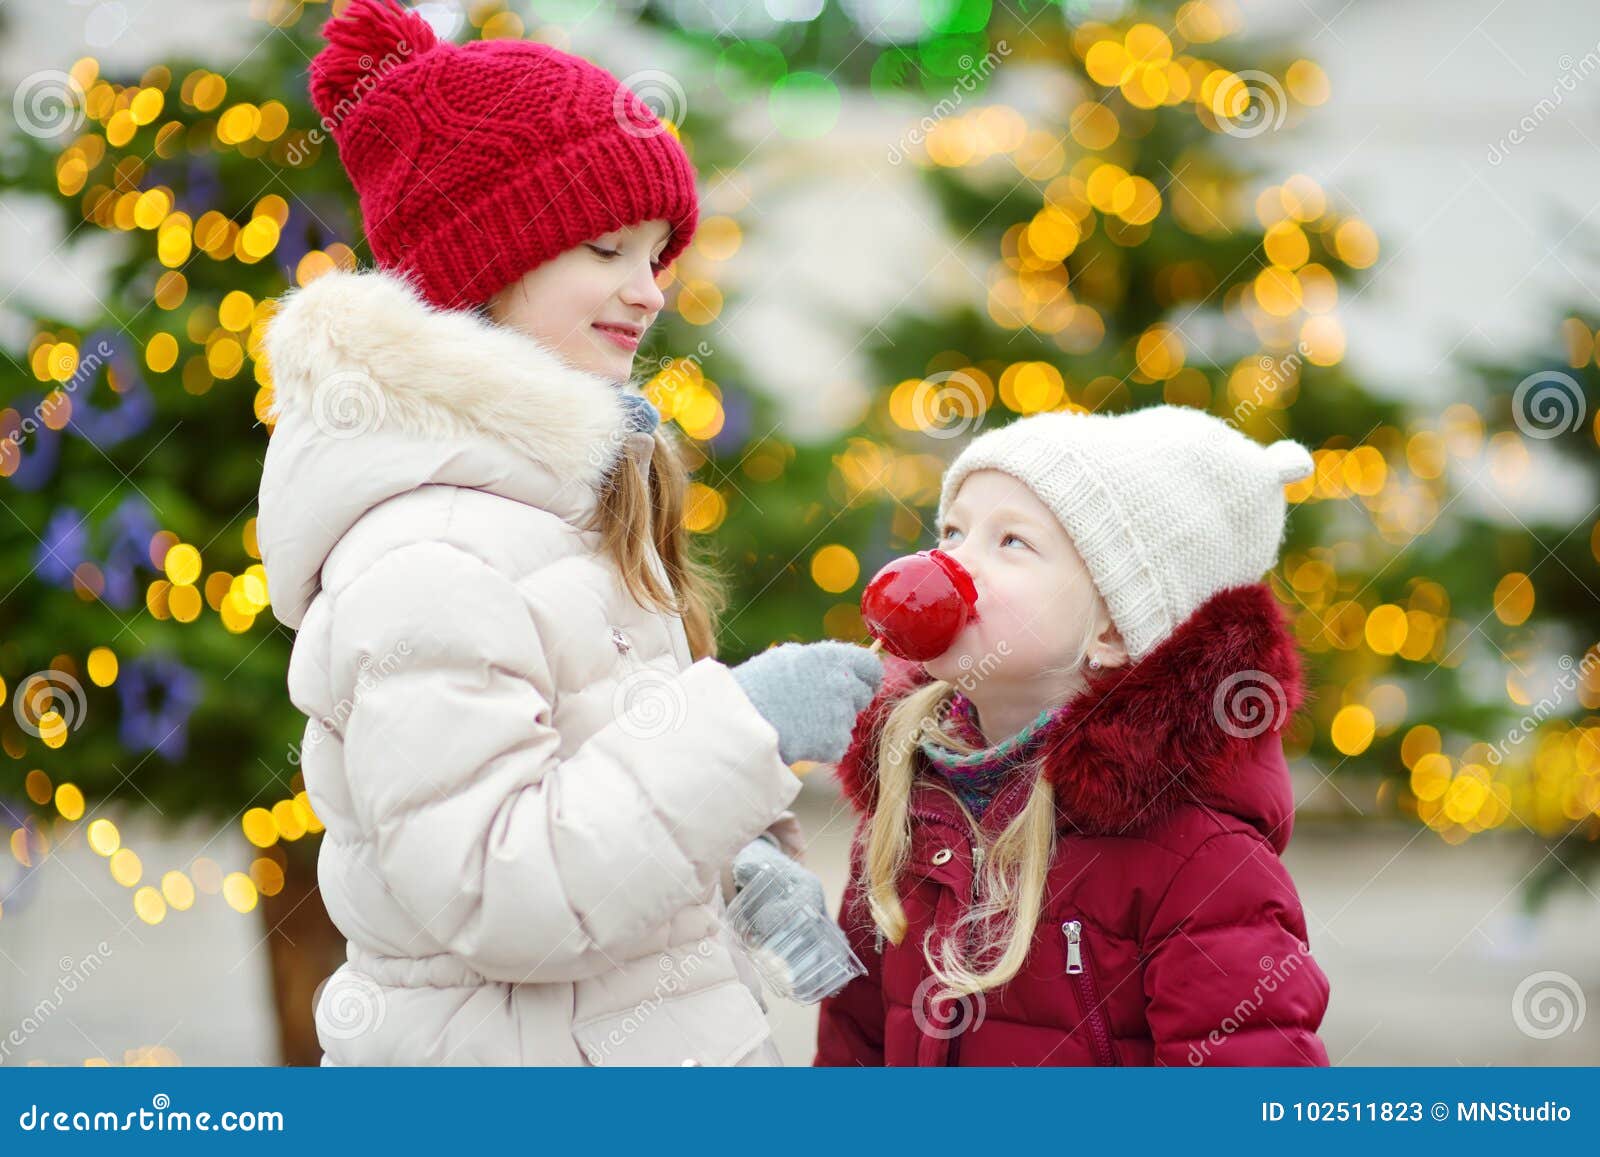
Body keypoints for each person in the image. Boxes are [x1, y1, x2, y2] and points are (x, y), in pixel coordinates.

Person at [256, 0, 880, 1065]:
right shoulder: (428, 557)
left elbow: (608, 780)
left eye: (657, 256)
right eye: (606, 248)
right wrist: (747, 724)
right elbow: (505, 889)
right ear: (482, 262)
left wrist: (734, 869)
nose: (647, 293)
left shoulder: (559, 505)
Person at [815, 405, 1332, 1065]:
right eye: (951, 531)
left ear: (1112, 629)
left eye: (1011, 542)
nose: (948, 563)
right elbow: (851, 1046)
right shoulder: (906, 804)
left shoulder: (1201, 861)